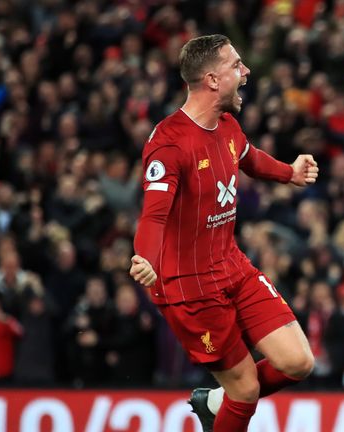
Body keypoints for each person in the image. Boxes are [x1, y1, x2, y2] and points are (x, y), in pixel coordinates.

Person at [129, 34, 318, 431]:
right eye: (236, 65)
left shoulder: (227, 124)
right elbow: (154, 216)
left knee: (299, 362)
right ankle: (229, 402)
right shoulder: (169, 145)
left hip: (232, 265)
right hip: (189, 287)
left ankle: (217, 401)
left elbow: (249, 158)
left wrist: (289, 173)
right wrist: (144, 258)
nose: (246, 72)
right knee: (246, 390)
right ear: (213, 80)